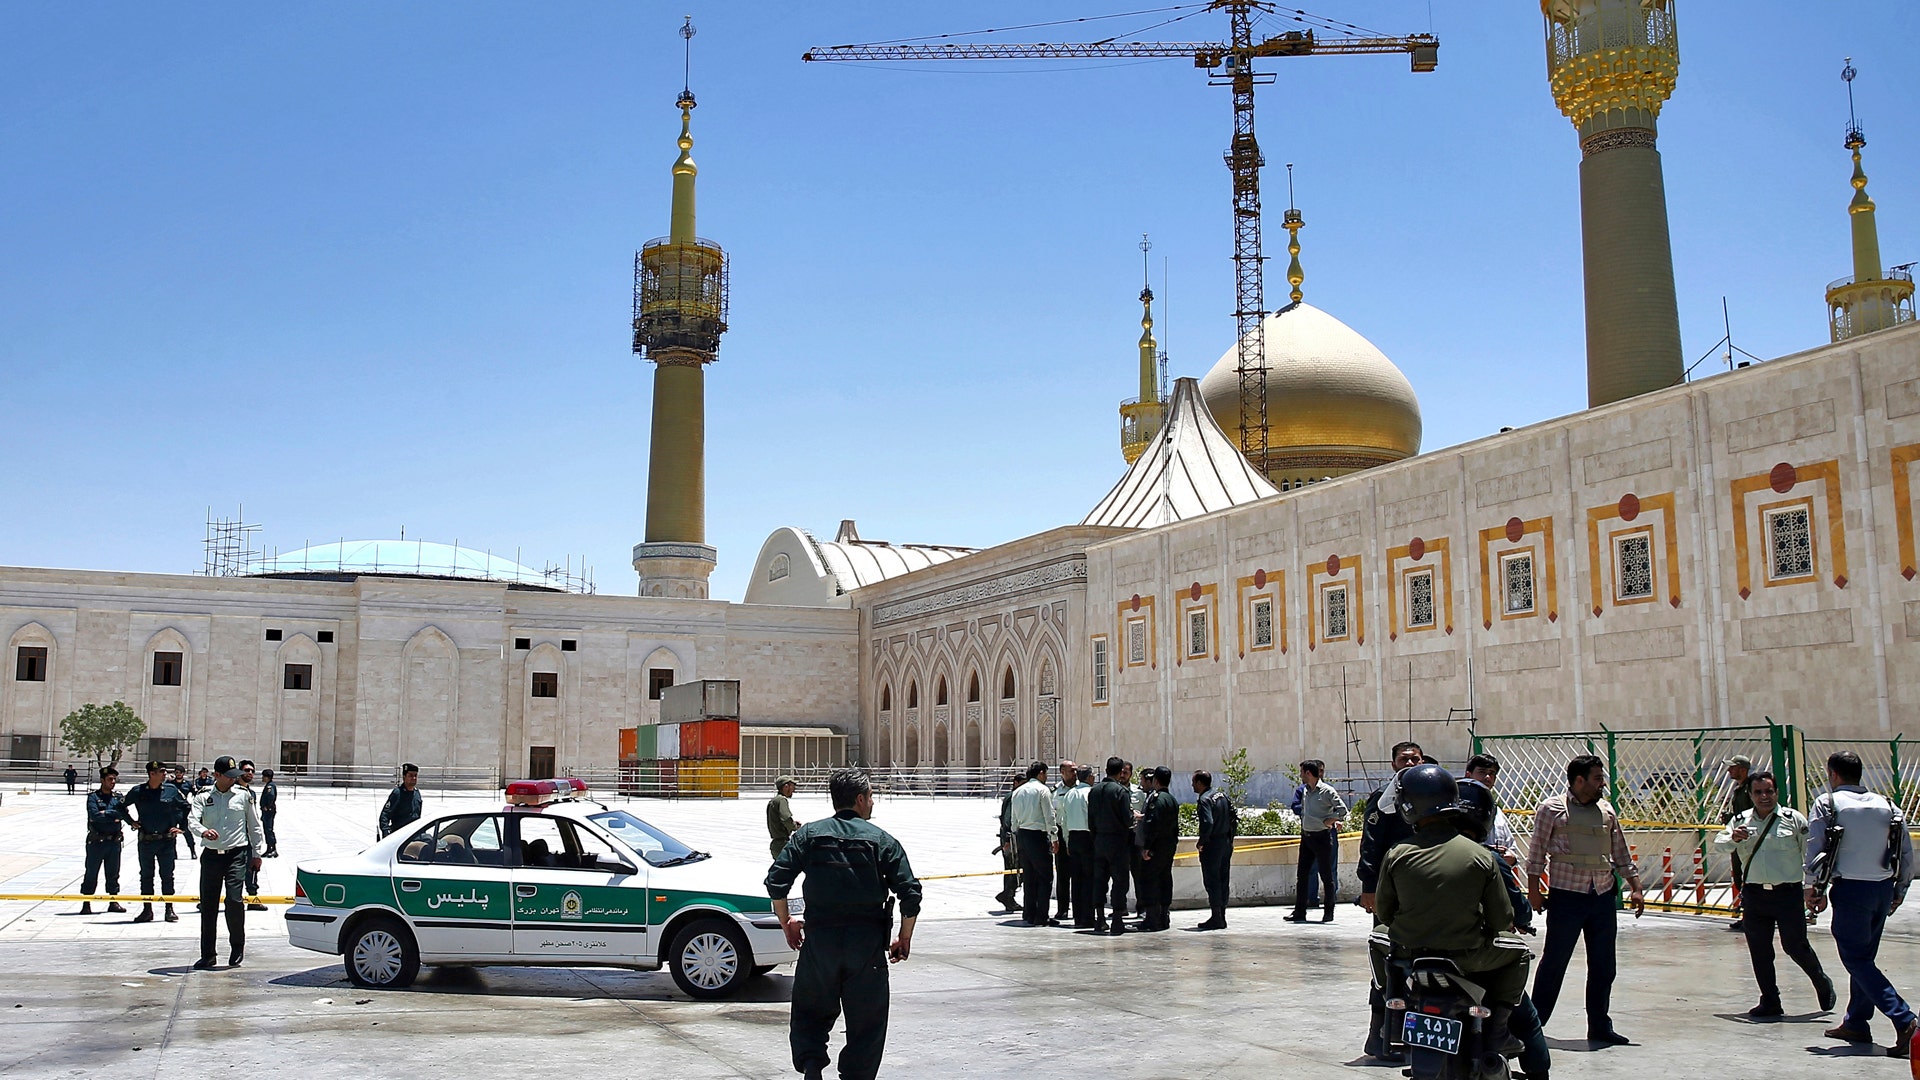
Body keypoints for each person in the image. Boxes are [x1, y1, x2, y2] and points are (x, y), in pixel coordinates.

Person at [765, 768, 921, 1080]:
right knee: (867, 1022)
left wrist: (787, 923)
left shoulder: (809, 835)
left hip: (820, 942)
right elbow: (910, 894)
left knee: (809, 1011)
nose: (873, 803)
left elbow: (776, 881)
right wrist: (904, 938)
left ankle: (811, 1065)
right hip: (866, 947)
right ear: (861, 799)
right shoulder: (882, 841)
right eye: (872, 796)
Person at [1374, 764, 1531, 1059]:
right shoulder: (1482, 856)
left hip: (1412, 954)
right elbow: (1502, 919)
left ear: (1408, 806)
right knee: (1520, 952)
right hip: (1468, 957)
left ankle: (1393, 1014)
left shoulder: (1397, 853)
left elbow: (1384, 913)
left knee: (1377, 938)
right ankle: (1498, 1029)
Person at [1525, 753, 1646, 1045]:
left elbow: (1620, 852)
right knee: (1554, 964)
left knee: (1604, 966)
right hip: (1567, 897)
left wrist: (1635, 886)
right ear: (1579, 780)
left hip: (1602, 897)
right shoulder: (1551, 809)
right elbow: (1536, 853)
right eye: (1597, 778)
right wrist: (1533, 891)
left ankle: (1600, 1026)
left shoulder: (1606, 810)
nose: (1602, 783)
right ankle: (1532, 1027)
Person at [1805, 750, 1915, 1058]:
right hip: (1881, 889)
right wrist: (1900, 889)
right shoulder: (1887, 805)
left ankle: (1905, 1019)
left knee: (1856, 960)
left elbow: (1816, 848)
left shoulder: (1828, 803)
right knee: (1864, 957)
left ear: (1833, 774)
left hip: (1851, 889)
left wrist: (1811, 888)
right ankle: (1856, 1021)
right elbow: (1905, 851)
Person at [1713, 771, 1835, 1018]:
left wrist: (1815, 888)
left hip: (1787, 894)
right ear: (1750, 794)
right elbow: (1720, 843)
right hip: (1755, 895)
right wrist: (1734, 838)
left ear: (1777, 792)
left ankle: (1821, 981)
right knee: (1759, 950)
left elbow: (1810, 854)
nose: (1764, 797)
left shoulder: (1793, 819)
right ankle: (1770, 1001)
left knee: (1795, 946)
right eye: (1758, 792)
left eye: (1769, 791)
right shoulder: (1740, 821)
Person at [1455, 778, 1550, 1080]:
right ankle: (1508, 1042)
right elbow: (1513, 911)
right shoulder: (1488, 859)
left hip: (1420, 956)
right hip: (1474, 957)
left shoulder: (1406, 853)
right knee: (1527, 1013)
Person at [1357, 740, 1425, 1060]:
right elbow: (1370, 845)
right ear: (1394, 763)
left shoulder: (1431, 797)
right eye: (1404, 758)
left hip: (1427, 894)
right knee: (1387, 961)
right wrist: (1369, 887)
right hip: (1392, 894)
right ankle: (1381, 1034)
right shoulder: (1383, 801)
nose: (1410, 763)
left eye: (1416, 758)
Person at [187, 755, 264, 969]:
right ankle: (208, 954)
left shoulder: (243, 796)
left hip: (236, 855)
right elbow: (192, 819)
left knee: (234, 900)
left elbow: (254, 826)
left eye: (234, 776)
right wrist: (203, 831)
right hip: (211, 856)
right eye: (228, 776)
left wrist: (257, 854)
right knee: (209, 905)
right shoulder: (203, 796)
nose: (233, 780)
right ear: (217, 775)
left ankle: (237, 945)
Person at [118, 760, 190, 923]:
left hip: (166, 841)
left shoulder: (171, 790)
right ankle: (147, 909)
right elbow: (119, 806)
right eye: (162, 771)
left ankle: (169, 908)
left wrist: (181, 827)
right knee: (146, 876)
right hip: (147, 841)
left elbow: (186, 807)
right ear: (152, 774)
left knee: (167, 875)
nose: (165, 774)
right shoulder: (138, 791)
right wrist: (131, 822)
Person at [1289, 758, 1347, 923]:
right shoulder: (1305, 790)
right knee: (1303, 875)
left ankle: (1329, 912)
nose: (1300, 775)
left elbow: (1342, 810)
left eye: (1302, 772)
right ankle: (1300, 911)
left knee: (1326, 876)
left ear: (1308, 773)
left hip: (1321, 837)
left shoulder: (1327, 791)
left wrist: (1331, 820)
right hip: (1306, 836)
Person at [1008, 761, 1061, 926]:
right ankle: (1042, 915)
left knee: (1029, 876)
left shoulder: (1018, 791)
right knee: (1045, 877)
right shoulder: (1042, 790)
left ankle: (1029, 913)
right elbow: (1049, 816)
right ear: (1041, 774)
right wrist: (1054, 837)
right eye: (1045, 774)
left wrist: (1017, 834)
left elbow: (1013, 819)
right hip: (1038, 836)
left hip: (1023, 835)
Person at [1087, 757, 1133, 935]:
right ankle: (1117, 919)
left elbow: (1090, 819)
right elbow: (1126, 819)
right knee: (1119, 881)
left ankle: (1099, 918)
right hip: (1117, 841)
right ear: (1120, 771)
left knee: (1099, 880)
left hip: (1099, 840)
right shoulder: (1121, 791)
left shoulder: (1094, 791)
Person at [80, 767, 127, 915]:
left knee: (113, 872)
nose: (112, 782)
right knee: (91, 872)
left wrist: (107, 813)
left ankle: (113, 901)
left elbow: (123, 813)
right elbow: (94, 815)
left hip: (114, 841)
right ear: (102, 780)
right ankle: (86, 902)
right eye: (109, 779)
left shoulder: (118, 797)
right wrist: (113, 815)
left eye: (114, 779)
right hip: (97, 841)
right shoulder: (93, 797)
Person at [1193, 769, 1236, 930]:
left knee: (1212, 881)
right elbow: (1233, 817)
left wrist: (1202, 841)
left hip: (1213, 845)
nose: (1192, 785)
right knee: (1223, 879)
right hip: (1225, 842)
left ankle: (1216, 916)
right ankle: (1221, 915)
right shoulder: (1221, 795)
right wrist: (1230, 839)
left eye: (1194, 782)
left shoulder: (1204, 799)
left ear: (1199, 783)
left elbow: (1208, 822)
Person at [1138, 766, 1179, 931]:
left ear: (1155, 780)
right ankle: (1164, 916)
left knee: (1151, 881)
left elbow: (1153, 825)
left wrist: (1147, 847)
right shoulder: (1171, 799)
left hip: (1156, 848)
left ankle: (1152, 919)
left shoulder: (1157, 799)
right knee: (1165, 880)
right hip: (1168, 847)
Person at [1463, 753, 1518, 863]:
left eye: (1491, 773)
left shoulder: (1497, 812)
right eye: (1482, 772)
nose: (1487, 777)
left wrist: (1510, 857)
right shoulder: (1459, 809)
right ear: (1468, 775)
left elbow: (1511, 848)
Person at [1723, 754, 1756, 930]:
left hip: (1748, 840)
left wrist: (1732, 818)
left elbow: (1752, 814)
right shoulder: (1740, 789)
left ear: (1742, 769)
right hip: (1739, 839)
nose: (1729, 770)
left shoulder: (1751, 789)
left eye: (1732, 767)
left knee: (1747, 878)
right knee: (1740, 878)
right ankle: (1747, 915)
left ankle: (1752, 917)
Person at [1063, 765, 1097, 928]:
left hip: (1073, 838)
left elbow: (1064, 820)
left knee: (1076, 879)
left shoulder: (1069, 794)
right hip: (1087, 837)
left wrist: (1067, 840)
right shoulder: (1090, 794)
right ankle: (1088, 916)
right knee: (1088, 878)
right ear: (1089, 777)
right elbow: (1093, 818)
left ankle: (1078, 916)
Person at [238, 760, 268, 911]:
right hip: (234, 838)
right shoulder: (233, 791)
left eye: (252, 771)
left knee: (252, 869)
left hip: (248, 838)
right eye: (246, 770)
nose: (249, 773)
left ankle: (253, 898)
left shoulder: (252, 793)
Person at [1051, 760, 1077, 923]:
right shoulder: (1055, 791)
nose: (1074, 774)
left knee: (1079, 875)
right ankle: (1062, 909)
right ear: (1062, 772)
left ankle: (1079, 908)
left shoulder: (1081, 789)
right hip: (1061, 834)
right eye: (1070, 771)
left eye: (1075, 770)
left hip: (1077, 833)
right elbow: (1052, 815)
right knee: (1062, 875)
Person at [993, 775, 1022, 914]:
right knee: (1013, 869)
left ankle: (1009, 896)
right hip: (1011, 839)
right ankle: (1007, 895)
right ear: (1015, 783)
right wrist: (1007, 840)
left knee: (1016, 869)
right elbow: (1008, 819)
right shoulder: (1013, 796)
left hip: (1011, 838)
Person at [377, 763, 422, 839]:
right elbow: (384, 815)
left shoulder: (417, 793)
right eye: (410, 775)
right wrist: (386, 833)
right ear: (404, 777)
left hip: (414, 833)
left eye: (415, 776)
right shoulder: (398, 793)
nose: (414, 778)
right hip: (401, 835)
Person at [768, 775, 800, 860]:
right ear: (786, 786)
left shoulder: (773, 801)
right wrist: (794, 827)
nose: (793, 789)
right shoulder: (782, 800)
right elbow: (786, 819)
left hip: (776, 844)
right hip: (782, 844)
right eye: (792, 786)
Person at [169, 767, 198, 857]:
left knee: (186, 831)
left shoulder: (188, 784)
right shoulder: (170, 784)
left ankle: (192, 851)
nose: (178, 774)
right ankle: (173, 853)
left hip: (184, 810)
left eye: (180, 772)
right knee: (172, 832)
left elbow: (196, 794)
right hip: (172, 810)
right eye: (177, 772)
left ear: (183, 773)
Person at [258, 768, 279, 858]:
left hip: (269, 811)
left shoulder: (270, 786)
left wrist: (267, 806)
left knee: (269, 830)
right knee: (266, 830)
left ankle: (273, 848)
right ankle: (269, 848)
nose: (262, 778)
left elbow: (271, 796)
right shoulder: (269, 785)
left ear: (267, 777)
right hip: (267, 811)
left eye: (263, 776)